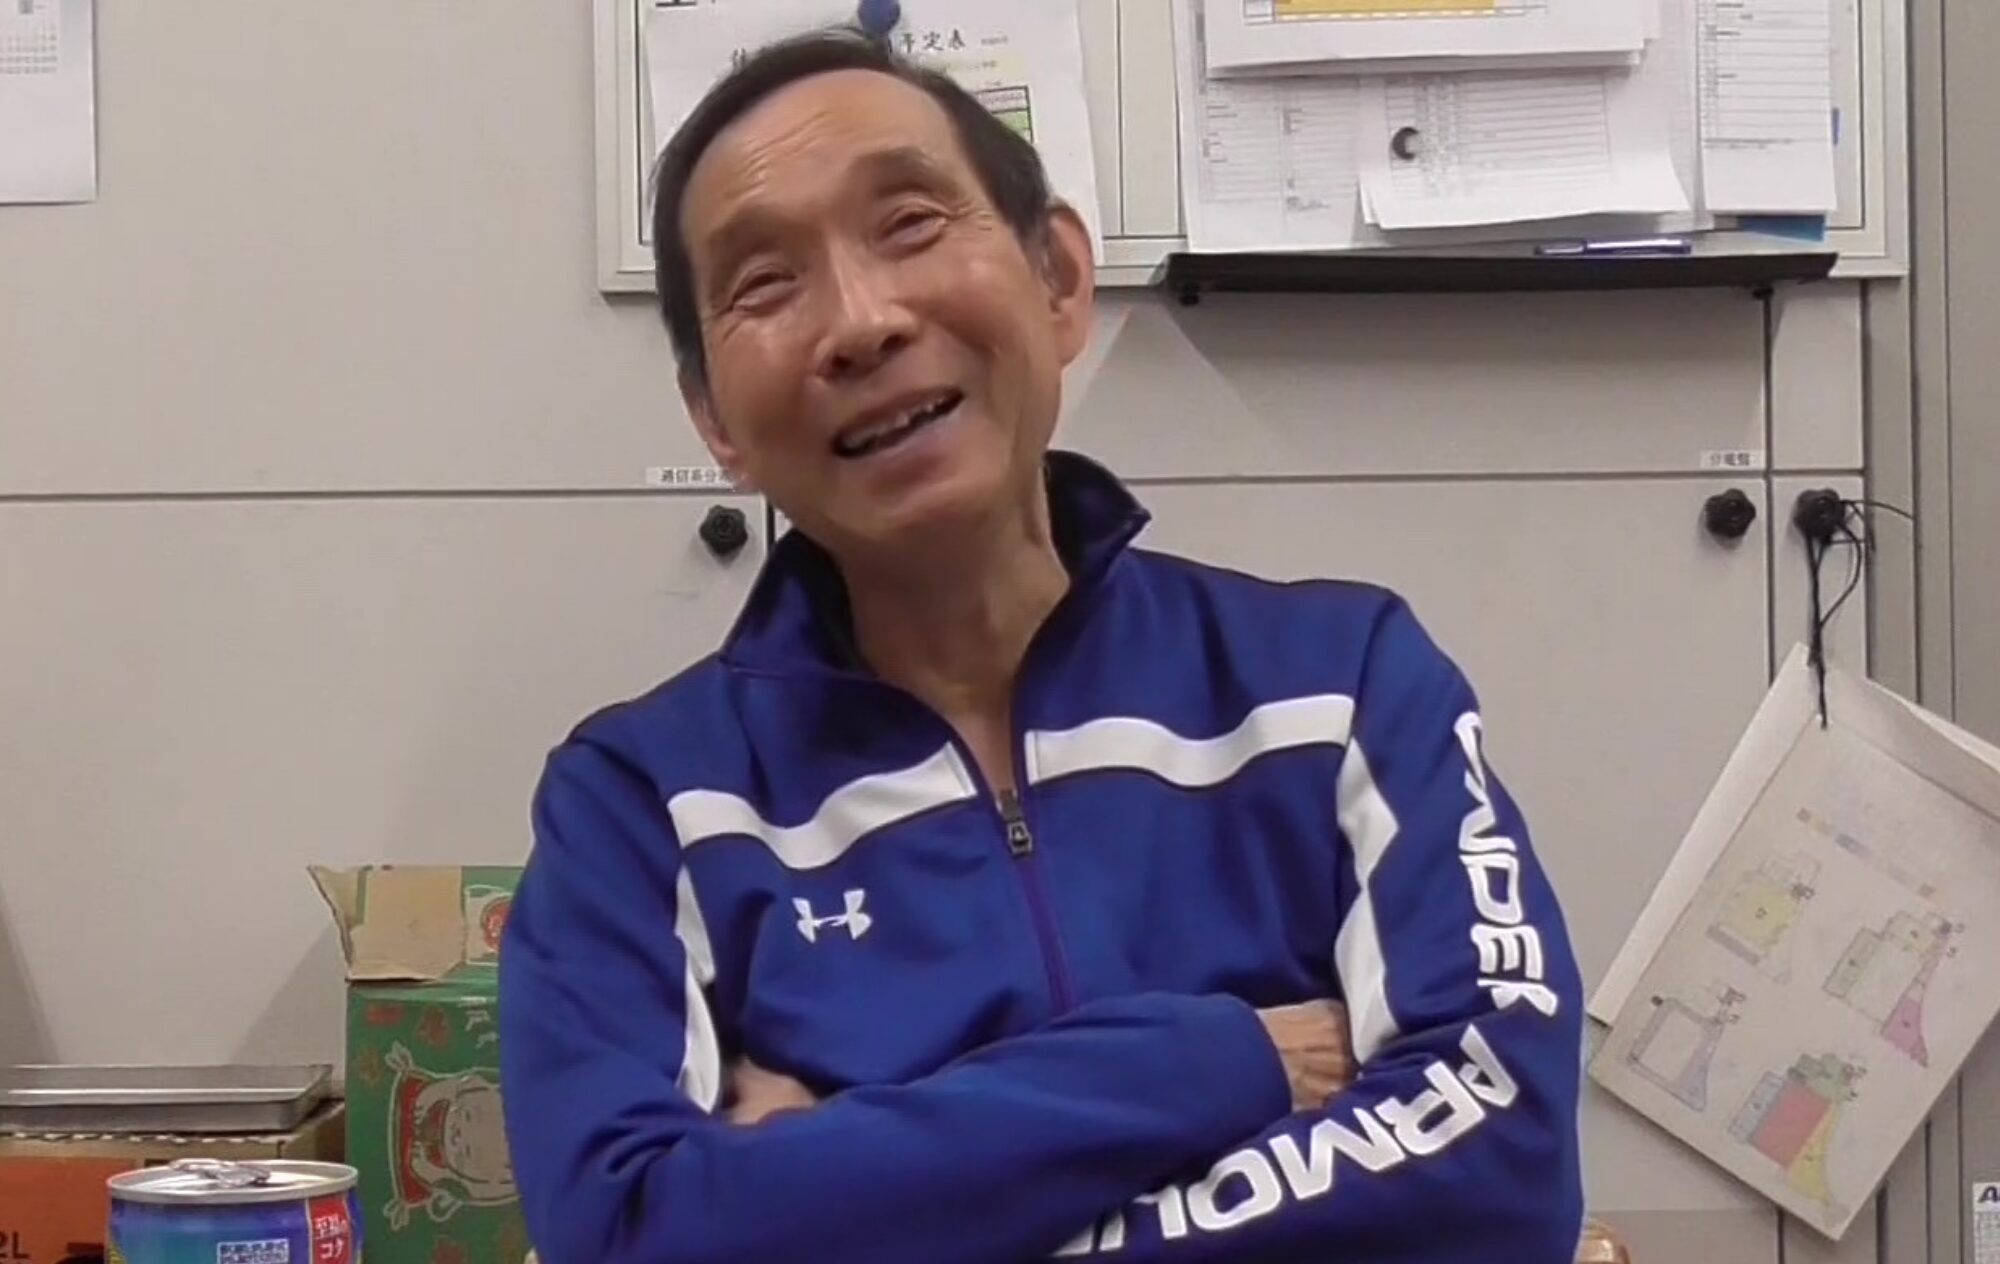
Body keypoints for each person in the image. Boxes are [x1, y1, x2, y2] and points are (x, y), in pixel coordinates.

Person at [498, 25, 1585, 1264]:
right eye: (764, 285)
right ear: (715, 423)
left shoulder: (1338, 688)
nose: (859, 321)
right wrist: (1206, 1066)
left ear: (1059, 280)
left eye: (908, 224)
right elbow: (632, 1234)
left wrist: (847, 1185)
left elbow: (1497, 1177)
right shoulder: (644, 807)